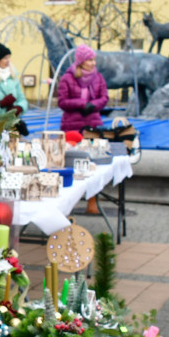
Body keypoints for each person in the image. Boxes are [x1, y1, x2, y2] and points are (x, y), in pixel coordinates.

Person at [57, 44, 108, 214]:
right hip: (72, 126)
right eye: (90, 60)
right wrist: (80, 104)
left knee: (93, 163)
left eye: (94, 60)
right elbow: (62, 101)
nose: (93, 63)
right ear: (81, 62)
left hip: (92, 124)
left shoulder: (98, 78)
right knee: (71, 161)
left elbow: (104, 98)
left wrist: (92, 105)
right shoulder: (68, 78)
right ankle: (67, 202)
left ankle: (92, 201)